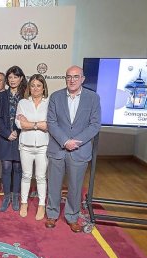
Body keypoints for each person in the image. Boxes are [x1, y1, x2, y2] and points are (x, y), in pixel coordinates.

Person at [45, 65, 101, 233]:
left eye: (76, 77)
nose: (72, 80)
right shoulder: (56, 97)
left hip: (79, 150)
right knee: (54, 184)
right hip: (58, 149)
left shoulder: (93, 98)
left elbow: (95, 124)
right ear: (65, 78)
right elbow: (52, 123)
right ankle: (52, 214)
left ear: (82, 79)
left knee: (75, 187)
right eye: (69, 76)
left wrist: (76, 142)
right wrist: (65, 141)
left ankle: (72, 216)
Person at [16, 74, 49, 220]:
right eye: (33, 85)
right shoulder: (23, 102)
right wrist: (38, 124)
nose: (35, 88)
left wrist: (29, 123)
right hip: (26, 145)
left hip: (43, 146)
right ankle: (24, 203)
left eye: (38, 85)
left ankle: (41, 205)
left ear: (43, 88)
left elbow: (50, 125)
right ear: (29, 87)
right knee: (26, 175)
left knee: (41, 177)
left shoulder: (50, 103)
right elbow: (19, 124)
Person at [0, 66, 27, 212]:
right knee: (6, 168)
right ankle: (6, 196)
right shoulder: (1, 96)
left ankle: (15, 196)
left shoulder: (26, 95)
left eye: (15, 77)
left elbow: (28, 117)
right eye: (10, 77)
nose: (12, 80)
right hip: (5, 137)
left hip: (21, 137)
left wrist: (18, 132)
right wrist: (7, 133)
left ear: (21, 78)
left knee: (18, 167)